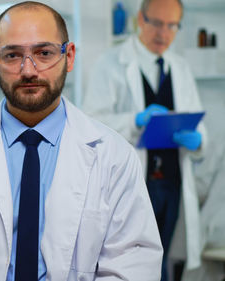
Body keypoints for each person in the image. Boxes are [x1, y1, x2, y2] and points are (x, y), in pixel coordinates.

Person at [0, 2, 163, 281]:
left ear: (69, 56)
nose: (29, 70)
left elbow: (132, 264)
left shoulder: (115, 156)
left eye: (44, 53)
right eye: (12, 55)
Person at [82, 0, 207, 280]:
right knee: (134, 262)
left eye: (172, 25)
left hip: (173, 183)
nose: (164, 33)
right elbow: (90, 124)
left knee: (165, 258)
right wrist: (134, 119)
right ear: (140, 19)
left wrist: (197, 141)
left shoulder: (181, 68)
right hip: (135, 182)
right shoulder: (111, 63)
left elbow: (199, 126)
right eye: (157, 23)